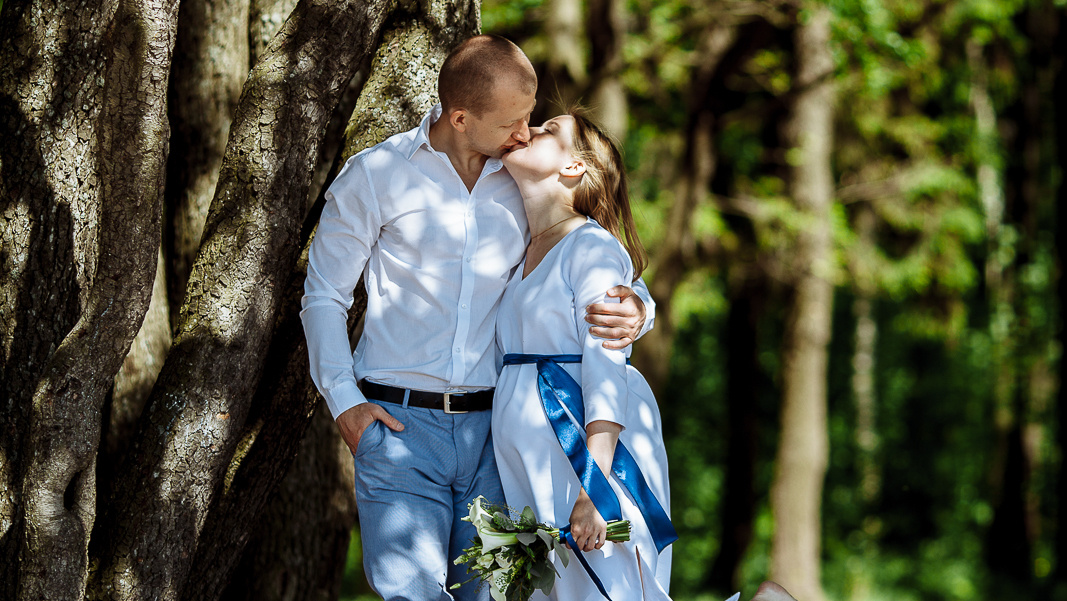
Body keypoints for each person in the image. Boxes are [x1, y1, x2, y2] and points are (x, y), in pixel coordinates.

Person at [300, 35, 655, 601]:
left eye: (532, 118)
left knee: (491, 596)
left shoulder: (523, 185)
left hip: (495, 436)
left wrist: (641, 307)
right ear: (460, 117)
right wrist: (345, 404)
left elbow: (592, 264)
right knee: (410, 592)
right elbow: (323, 296)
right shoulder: (377, 174)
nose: (526, 132)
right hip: (397, 428)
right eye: (513, 122)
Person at [492, 110, 673, 600]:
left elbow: (606, 367)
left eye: (548, 130)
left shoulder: (589, 247)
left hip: (585, 452)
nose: (527, 128)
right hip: (532, 462)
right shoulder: (521, 248)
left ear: (573, 168)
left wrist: (594, 485)